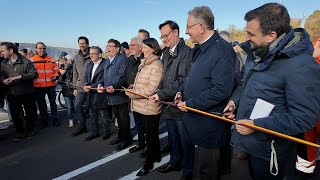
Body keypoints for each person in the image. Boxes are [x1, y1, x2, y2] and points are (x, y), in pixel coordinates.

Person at [222, 3, 320, 179]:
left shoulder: (302, 66)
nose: (246, 38)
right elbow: (245, 84)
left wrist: (257, 126)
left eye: (251, 34)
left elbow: (304, 118)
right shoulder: (257, 53)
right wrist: (234, 102)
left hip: (270, 153)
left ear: (271, 36)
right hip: (246, 144)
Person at [176, 6, 236, 180]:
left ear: (201, 27)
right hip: (193, 120)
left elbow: (221, 89)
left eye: (188, 27)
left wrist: (191, 103)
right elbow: (191, 77)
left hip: (209, 126)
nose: (186, 32)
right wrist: (181, 92)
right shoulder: (199, 49)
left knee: (207, 171)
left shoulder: (221, 50)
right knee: (197, 168)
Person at [150, 20, 193, 175]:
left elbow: (182, 80)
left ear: (175, 33)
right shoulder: (166, 53)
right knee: (173, 138)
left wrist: (160, 93)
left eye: (166, 36)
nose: (164, 39)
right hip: (167, 104)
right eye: (161, 37)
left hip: (180, 104)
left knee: (185, 141)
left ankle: (188, 170)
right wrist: (157, 89)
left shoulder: (186, 52)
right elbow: (165, 77)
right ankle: (175, 162)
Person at [125, 38, 164, 176]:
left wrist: (132, 93)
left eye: (145, 48)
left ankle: (148, 164)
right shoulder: (145, 63)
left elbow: (151, 89)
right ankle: (157, 156)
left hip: (150, 106)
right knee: (152, 135)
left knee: (151, 136)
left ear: (153, 49)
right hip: (143, 105)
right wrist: (134, 87)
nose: (142, 50)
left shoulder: (156, 65)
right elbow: (143, 84)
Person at [97, 39, 131, 150]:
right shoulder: (107, 60)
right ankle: (120, 136)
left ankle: (126, 139)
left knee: (123, 118)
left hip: (119, 94)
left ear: (117, 48)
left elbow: (121, 76)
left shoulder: (123, 59)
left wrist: (112, 86)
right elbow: (104, 76)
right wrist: (100, 85)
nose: (107, 48)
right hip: (110, 94)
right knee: (117, 117)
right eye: (107, 46)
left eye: (110, 46)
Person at [0, 42, 38, 140]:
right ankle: (19, 132)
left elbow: (34, 74)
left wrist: (20, 76)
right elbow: (1, 75)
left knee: (30, 113)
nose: (1, 53)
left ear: (11, 50)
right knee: (15, 114)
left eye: (3, 51)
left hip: (27, 93)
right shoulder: (3, 63)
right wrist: (3, 80)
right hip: (12, 94)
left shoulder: (26, 61)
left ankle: (30, 130)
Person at [82, 46, 111, 141]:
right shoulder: (90, 64)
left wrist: (92, 86)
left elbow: (105, 78)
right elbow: (86, 75)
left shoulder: (106, 63)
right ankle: (94, 132)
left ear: (99, 54)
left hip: (100, 91)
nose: (91, 55)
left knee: (103, 115)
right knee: (93, 114)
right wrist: (86, 84)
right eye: (90, 53)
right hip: (91, 93)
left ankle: (107, 132)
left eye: (93, 53)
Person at [31, 42, 59, 128]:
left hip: (51, 85)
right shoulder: (31, 60)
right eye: (40, 48)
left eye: (43, 48)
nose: (42, 50)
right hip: (38, 87)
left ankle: (55, 119)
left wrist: (56, 76)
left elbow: (56, 71)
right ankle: (44, 121)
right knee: (41, 104)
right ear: (36, 49)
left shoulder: (51, 59)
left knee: (53, 103)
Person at [72, 36, 91, 136]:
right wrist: (75, 87)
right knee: (77, 106)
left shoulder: (92, 54)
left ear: (87, 44)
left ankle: (95, 129)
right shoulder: (77, 56)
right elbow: (75, 72)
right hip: (80, 86)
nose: (81, 45)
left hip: (92, 87)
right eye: (80, 43)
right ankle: (82, 126)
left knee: (93, 108)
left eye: (83, 43)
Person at [57, 56, 74, 127]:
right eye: (61, 61)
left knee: (77, 105)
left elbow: (74, 77)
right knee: (69, 106)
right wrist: (61, 74)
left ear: (66, 61)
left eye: (63, 61)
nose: (62, 63)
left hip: (74, 89)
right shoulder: (60, 69)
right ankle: (70, 120)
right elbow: (59, 82)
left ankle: (80, 118)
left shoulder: (71, 67)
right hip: (66, 90)